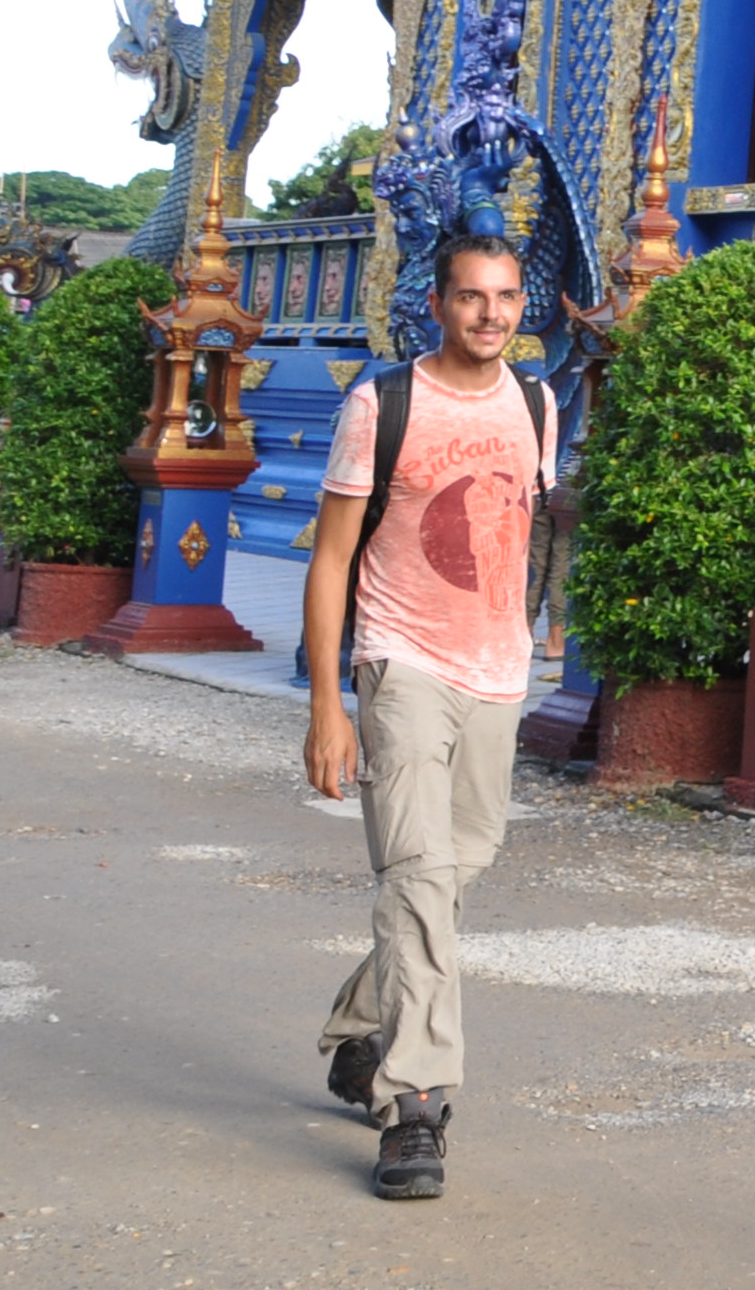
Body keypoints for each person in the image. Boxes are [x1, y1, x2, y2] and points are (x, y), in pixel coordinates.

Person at [303, 236, 553, 1202]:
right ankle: (413, 1105)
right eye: (469, 298)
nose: (489, 314)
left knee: (458, 871)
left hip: (498, 676)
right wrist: (330, 705)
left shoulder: (538, 404)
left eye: (505, 297)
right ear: (438, 306)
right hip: (400, 666)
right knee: (416, 878)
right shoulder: (382, 405)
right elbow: (331, 559)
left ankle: (358, 1036)